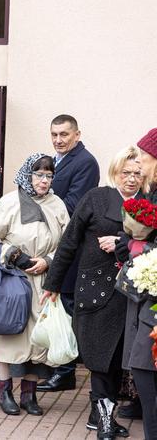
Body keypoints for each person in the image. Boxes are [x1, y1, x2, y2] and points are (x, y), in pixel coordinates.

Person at [42, 145, 143, 437]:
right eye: (126, 172)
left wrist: (122, 239)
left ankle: (96, 416)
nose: (131, 179)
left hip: (128, 295)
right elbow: (69, 242)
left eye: (137, 173)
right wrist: (53, 284)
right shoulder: (97, 198)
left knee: (113, 361)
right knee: (99, 359)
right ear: (115, 171)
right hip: (95, 293)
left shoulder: (147, 204)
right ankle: (105, 424)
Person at [0, 154, 69, 416]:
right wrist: (16, 257)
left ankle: (29, 394)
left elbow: (67, 243)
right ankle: (3, 391)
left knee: (38, 341)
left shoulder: (57, 205)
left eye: (49, 175)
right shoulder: (8, 203)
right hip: (11, 281)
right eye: (39, 174)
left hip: (44, 282)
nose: (44, 180)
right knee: (8, 335)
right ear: (27, 174)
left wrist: (49, 261)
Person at [38, 114, 100, 393]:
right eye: (54, 134)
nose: (58, 140)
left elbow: (74, 205)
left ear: (77, 134)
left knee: (68, 310)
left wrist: (38, 202)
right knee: (58, 307)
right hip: (54, 246)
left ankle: (66, 371)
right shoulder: (54, 160)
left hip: (71, 248)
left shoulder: (86, 162)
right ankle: (61, 369)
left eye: (64, 134)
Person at [113, 128, 157, 440]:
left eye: (143, 155)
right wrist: (128, 244)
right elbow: (129, 237)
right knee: (142, 363)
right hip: (142, 289)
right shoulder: (145, 193)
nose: (138, 162)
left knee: (144, 362)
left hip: (153, 292)